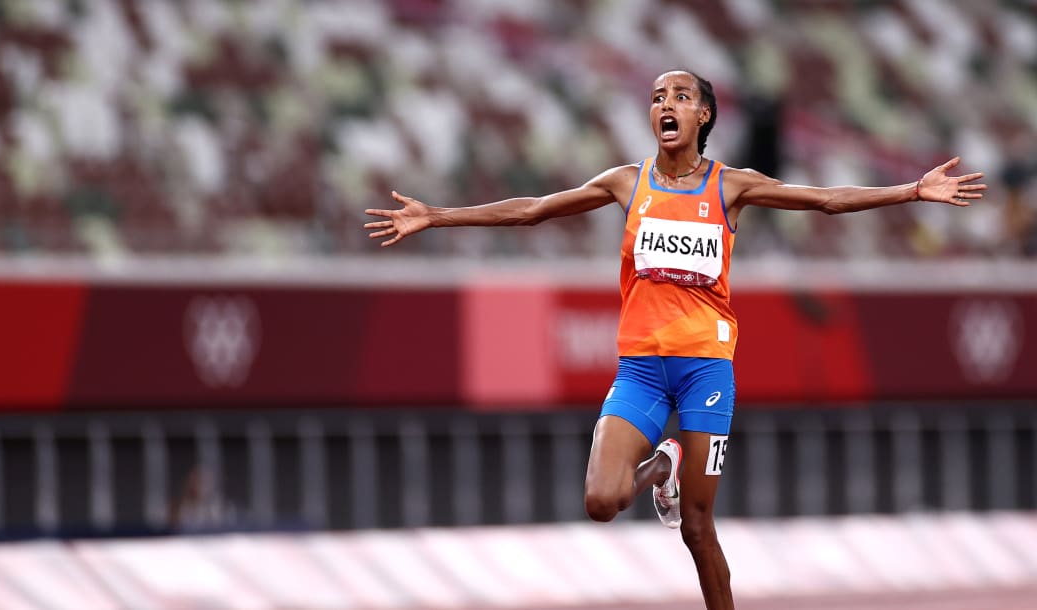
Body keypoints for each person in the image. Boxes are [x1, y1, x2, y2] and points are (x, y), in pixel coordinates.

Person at [363, 70, 985, 610]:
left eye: (681, 95)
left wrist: (909, 191)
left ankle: (674, 475)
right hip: (639, 369)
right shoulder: (626, 183)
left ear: (702, 114)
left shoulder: (731, 186)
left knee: (697, 527)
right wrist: (438, 215)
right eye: (658, 95)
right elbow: (532, 209)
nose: (666, 103)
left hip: (705, 371)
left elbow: (823, 199)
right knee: (601, 500)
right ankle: (663, 463)